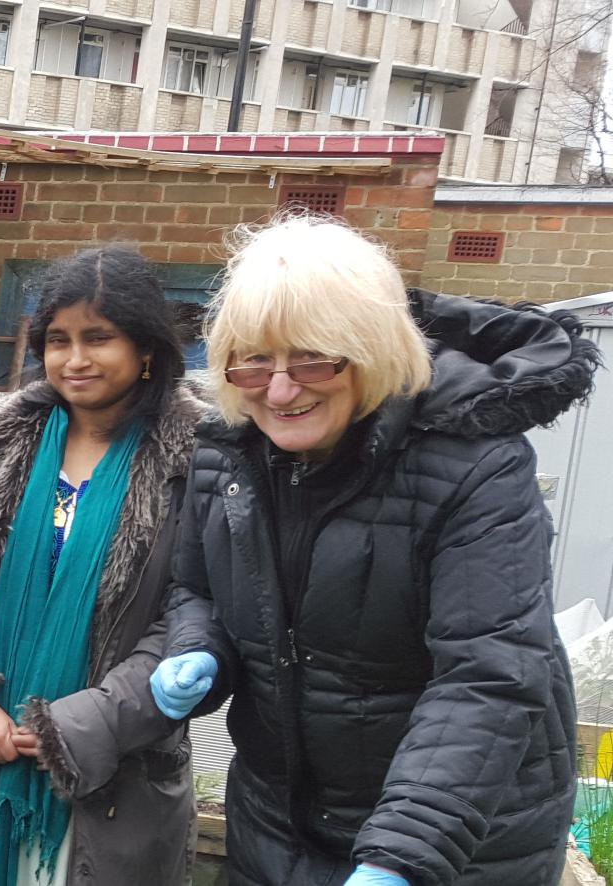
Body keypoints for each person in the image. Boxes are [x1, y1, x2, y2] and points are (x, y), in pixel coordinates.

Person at [150, 216, 593, 886]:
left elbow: (490, 675)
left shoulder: (474, 467)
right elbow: (198, 589)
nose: (278, 388)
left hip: (452, 843)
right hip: (275, 824)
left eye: (311, 358)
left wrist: (402, 855)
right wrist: (198, 648)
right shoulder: (227, 454)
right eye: (254, 360)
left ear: (371, 347)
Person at [0, 246, 203, 886]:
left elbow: (192, 612)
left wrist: (76, 725)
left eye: (99, 338)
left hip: (117, 774)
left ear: (146, 349)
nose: (75, 359)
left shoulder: (198, 463)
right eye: (58, 340)